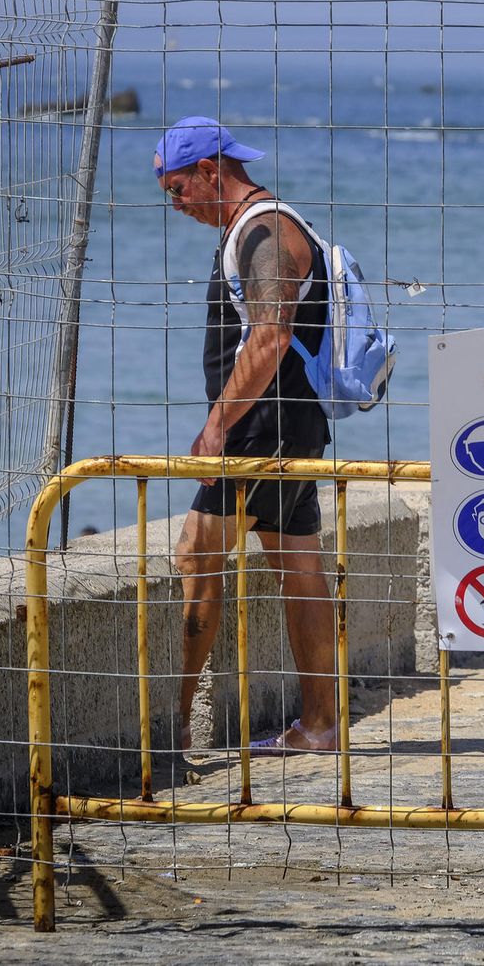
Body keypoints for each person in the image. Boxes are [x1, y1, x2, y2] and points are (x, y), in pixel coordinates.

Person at [157, 116, 336, 754]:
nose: (175, 206)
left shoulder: (266, 231)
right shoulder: (262, 226)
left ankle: (171, 733)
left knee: (195, 556)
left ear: (211, 171)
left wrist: (215, 427)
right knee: (300, 565)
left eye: (177, 189)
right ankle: (317, 727)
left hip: (259, 429)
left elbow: (269, 336)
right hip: (292, 424)